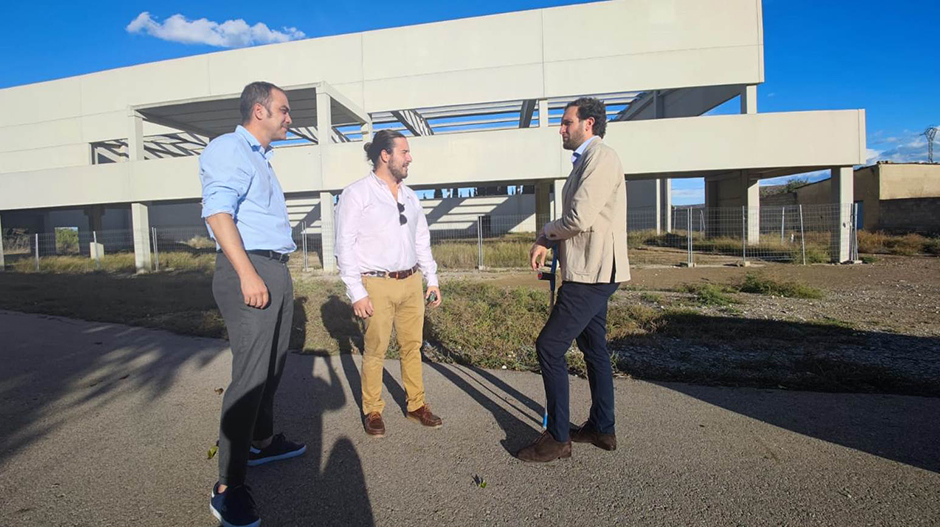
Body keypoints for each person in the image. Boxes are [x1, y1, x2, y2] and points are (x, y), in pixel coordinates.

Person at [200, 81, 306, 527]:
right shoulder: (230, 148)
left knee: (272, 367)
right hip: (250, 269)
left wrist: (270, 274)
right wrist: (248, 274)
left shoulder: (261, 158)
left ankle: (261, 441)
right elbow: (217, 213)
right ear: (260, 111)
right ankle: (227, 487)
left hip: (273, 268)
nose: (289, 117)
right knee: (248, 377)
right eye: (283, 110)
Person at [516, 97, 630, 463]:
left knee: (549, 347)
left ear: (589, 124)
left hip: (590, 275)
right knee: (594, 348)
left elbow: (578, 217)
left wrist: (545, 234)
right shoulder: (589, 160)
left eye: (567, 123)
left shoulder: (601, 158)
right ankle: (602, 427)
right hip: (591, 270)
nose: (561, 129)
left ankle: (558, 438)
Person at [335, 129, 444, 437]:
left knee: (412, 347)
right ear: (386, 155)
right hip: (376, 284)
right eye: (404, 152)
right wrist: (356, 292)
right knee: (376, 349)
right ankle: (372, 409)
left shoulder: (410, 196)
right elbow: (344, 245)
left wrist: (431, 280)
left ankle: (416, 406)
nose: (410, 157)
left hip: (411, 281)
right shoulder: (357, 194)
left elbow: (421, 239)